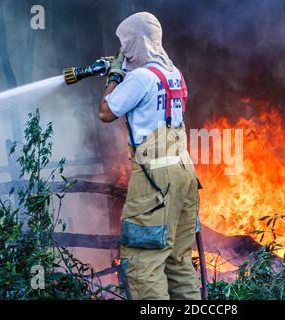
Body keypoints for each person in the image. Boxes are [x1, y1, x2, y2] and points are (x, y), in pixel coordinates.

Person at [98, 11, 201, 300]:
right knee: (177, 261)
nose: (123, 50)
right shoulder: (173, 73)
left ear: (138, 41)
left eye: (126, 43)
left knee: (143, 262)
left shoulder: (140, 78)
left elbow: (106, 112)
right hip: (184, 172)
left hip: (156, 179)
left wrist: (115, 74)